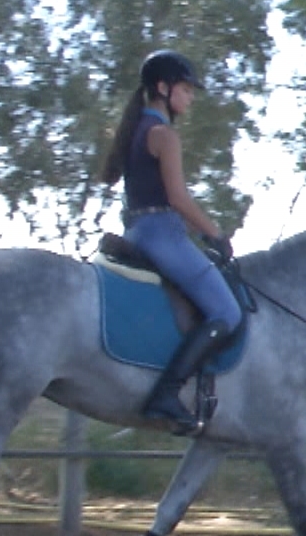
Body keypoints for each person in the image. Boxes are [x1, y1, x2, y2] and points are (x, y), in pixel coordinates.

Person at [96, 49, 243, 435]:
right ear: (163, 88)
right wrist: (214, 233)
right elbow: (178, 199)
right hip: (163, 235)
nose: (191, 97)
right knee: (227, 313)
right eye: (186, 89)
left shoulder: (137, 131)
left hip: (139, 231)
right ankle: (166, 393)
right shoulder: (164, 135)